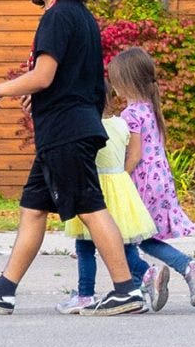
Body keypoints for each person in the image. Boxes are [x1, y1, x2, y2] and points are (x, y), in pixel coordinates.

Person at [0, 0, 146, 315]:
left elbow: (43, 75)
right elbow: (77, 80)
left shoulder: (57, 16)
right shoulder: (81, 17)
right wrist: (39, 95)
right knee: (33, 209)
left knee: (90, 207)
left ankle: (126, 289)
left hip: (65, 131)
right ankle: (4, 289)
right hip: (68, 127)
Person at [108, 46, 195, 310]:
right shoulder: (150, 109)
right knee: (136, 237)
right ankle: (146, 287)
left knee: (124, 237)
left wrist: (119, 179)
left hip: (140, 181)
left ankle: (175, 270)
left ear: (125, 82)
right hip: (159, 181)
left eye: (115, 79)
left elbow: (134, 156)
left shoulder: (130, 114)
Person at [58, 88, 158, 313]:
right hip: (120, 187)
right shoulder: (122, 124)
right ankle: (146, 276)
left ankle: (85, 295)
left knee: (84, 246)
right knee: (122, 242)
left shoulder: (87, 127)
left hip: (94, 187)